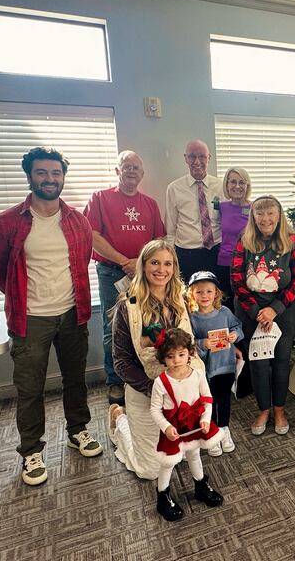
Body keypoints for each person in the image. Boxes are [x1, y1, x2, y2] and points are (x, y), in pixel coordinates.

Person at [0, 146, 101, 486]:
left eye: (56, 173)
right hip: (30, 319)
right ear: (30, 176)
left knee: (75, 379)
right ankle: (31, 450)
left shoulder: (78, 221)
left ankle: (78, 430)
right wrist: (22, 297)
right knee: (30, 389)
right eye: (42, 173)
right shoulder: (5, 224)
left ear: (63, 177)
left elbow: (82, 262)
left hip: (72, 313)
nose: (50, 179)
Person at [109, 239, 196, 481]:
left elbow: (191, 346)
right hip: (146, 389)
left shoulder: (181, 300)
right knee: (149, 471)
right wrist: (155, 389)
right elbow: (121, 361)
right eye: (154, 262)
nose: (161, 269)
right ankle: (119, 419)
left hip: (179, 391)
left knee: (180, 457)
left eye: (167, 263)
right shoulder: (129, 306)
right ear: (143, 266)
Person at [84, 150, 165, 406]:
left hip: (145, 274)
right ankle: (115, 382)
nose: (131, 171)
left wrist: (139, 264)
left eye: (136, 168)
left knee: (150, 323)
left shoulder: (149, 204)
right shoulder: (100, 198)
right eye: (126, 166)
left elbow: (158, 241)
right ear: (117, 171)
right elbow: (92, 236)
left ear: (142, 174)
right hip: (112, 274)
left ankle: (144, 375)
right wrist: (124, 261)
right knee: (113, 328)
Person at [231, 195, 295, 436]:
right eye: (260, 213)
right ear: (253, 217)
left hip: (283, 311)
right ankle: (263, 409)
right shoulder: (244, 242)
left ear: (279, 215)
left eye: (270, 213)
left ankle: (280, 410)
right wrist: (256, 312)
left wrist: (275, 309)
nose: (265, 218)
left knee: (281, 363)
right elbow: (237, 280)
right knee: (258, 365)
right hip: (252, 313)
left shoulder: (292, 241)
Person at [150, 328, 224, 521]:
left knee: (194, 454)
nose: (176, 360)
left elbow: (207, 399)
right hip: (173, 427)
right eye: (170, 356)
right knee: (168, 462)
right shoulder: (160, 382)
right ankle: (163, 496)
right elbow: (155, 410)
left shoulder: (198, 374)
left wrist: (205, 420)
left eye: (181, 354)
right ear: (163, 358)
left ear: (189, 353)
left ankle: (200, 485)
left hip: (194, 422)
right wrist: (166, 427)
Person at [186, 270, 244, 457]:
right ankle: (211, 433)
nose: (205, 296)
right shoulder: (191, 318)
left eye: (209, 291)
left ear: (216, 293)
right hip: (206, 370)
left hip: (226, 366)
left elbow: (237, 327)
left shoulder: (225, 312)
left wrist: (236, 335)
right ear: (192, 294)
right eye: (199, 292)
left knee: (224, 398)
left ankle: (224, 429)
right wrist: (203, 343)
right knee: (208, 402)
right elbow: (189, 343)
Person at [165, 139, 223, 283]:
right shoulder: (174, 188)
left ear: (209, 157)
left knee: (218, 297)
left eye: (202, 156)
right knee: (189, 300)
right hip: (187, 254)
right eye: (192, 156)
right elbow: (171, 230)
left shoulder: (221, 186)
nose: (197, 161)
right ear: (185, 158)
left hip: (216, 251)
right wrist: (172, 259)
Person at [216, 166, 253, 309]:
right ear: (226, 185)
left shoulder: (255, 207)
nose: (237, 186)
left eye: (242, 182)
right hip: (225, 264)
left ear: (247, 185)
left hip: (247, 265)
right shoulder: (222, 207)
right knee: (227, 306)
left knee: (246, 307)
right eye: (233, 182)